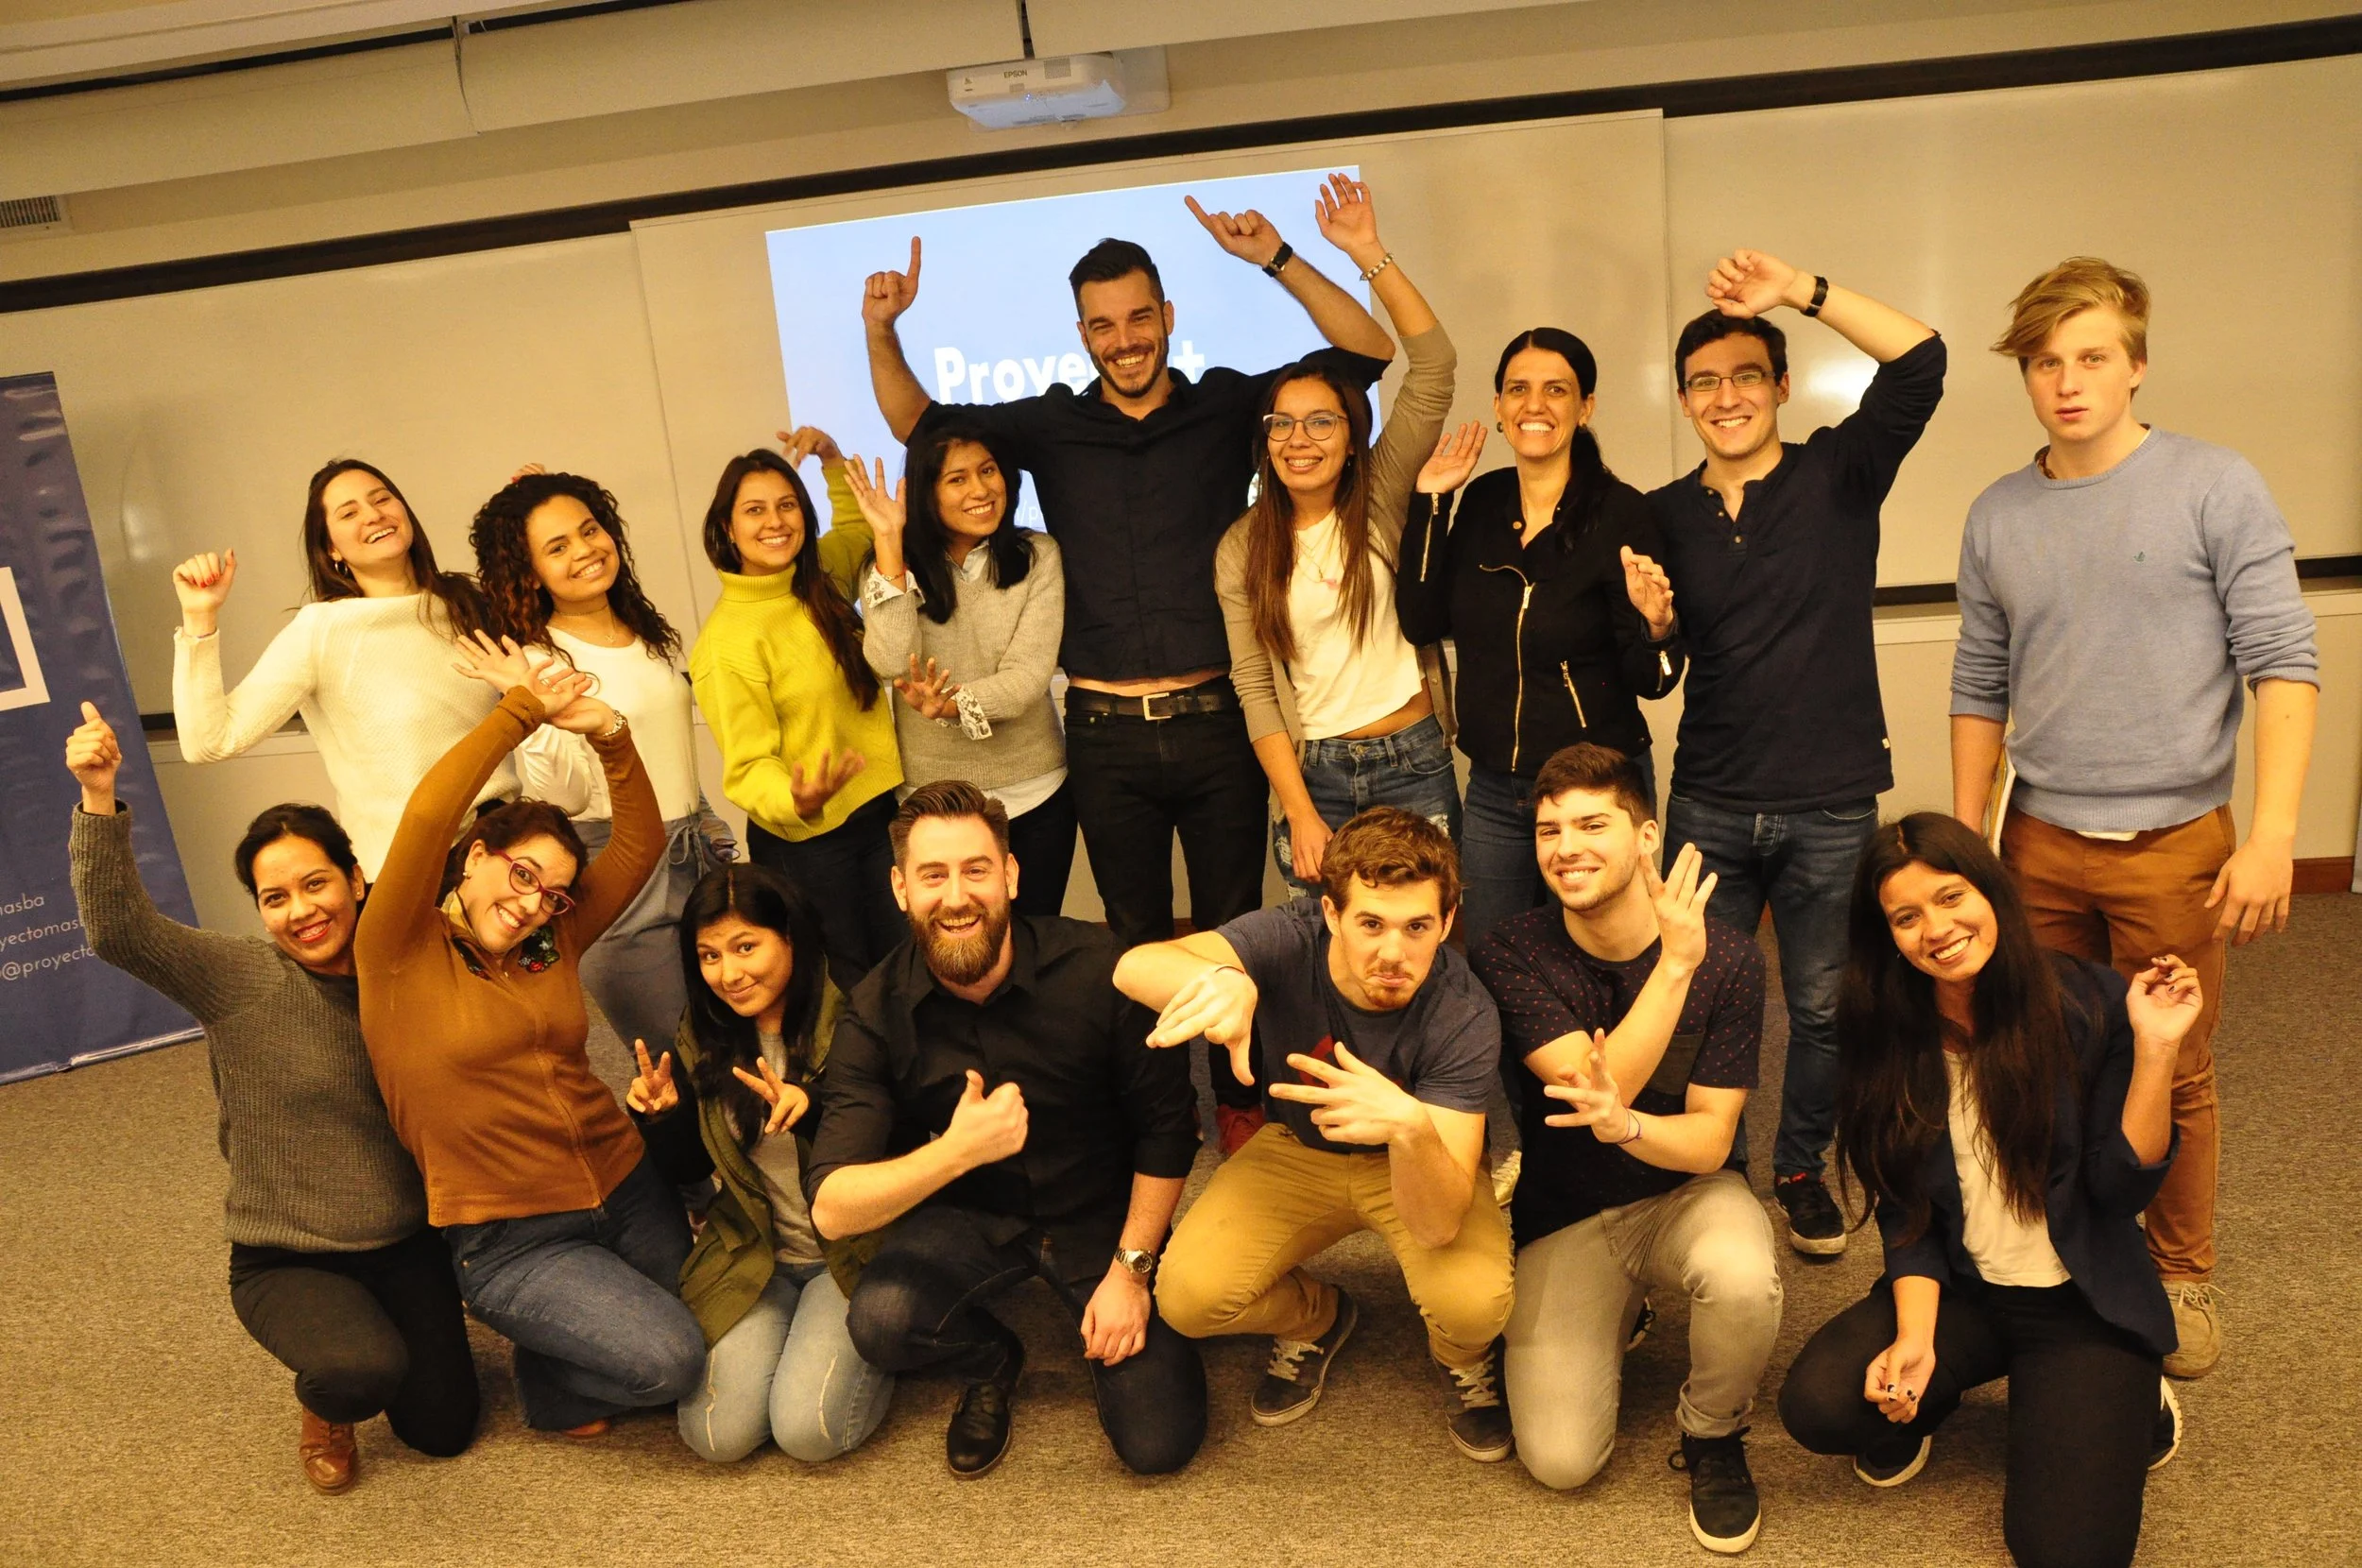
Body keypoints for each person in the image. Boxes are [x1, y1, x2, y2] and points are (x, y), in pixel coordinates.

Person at [859, 174, 1394, 967]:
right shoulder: (1050, 423)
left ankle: (1236, 1095)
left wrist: (1276, 257)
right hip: (1105, 736)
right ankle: (1156, 1097)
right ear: (1083, 335)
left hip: (1221, 724)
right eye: (1104, 325)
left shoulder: (1228, 405)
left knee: (1232, 930)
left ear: (1168, 318)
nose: (1125, 339)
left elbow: (1368, 353)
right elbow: (919, 426)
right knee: (1133, 940)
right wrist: (881, 331)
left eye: (1140, 317)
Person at [1949, 257, 2319, 1379]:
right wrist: (1969, 845)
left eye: (2091, 358)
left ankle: (2180, 1272)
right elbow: (1979, 682)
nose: (2067, 382)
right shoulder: (1998, 514)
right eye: (2045, 363)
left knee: (2173, 1066)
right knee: (2041, 1053)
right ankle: (2060, 1243)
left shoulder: (2214, 483)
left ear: (2136, 364)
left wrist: (2271, 832)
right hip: (2039, 844)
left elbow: (2283, 663)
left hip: (2177, 849)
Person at [63, 701, 477, 1492]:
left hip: (404, 1242)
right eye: (274, 897)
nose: (301, 911)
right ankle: (325, 1402)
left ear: (357, 878)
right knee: (360, 1372)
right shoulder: (242, 979)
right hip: (286, 1253)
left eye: (316, 883)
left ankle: (377, 1338)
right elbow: (117, 930)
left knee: (442, 1432)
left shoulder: (411, 969)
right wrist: (97, 795)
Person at [1779, 813, 2196, 1568]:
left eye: (1950, 897)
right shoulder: (1884, 1033)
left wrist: (2158, 1052)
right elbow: (1907, 1211)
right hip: (1968, 1292)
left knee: (2065, 1554)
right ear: (1887, 935)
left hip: (2082, 1303)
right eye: (1906, 917)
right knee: (1819, 1405)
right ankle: (1934, 1398)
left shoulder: (2089, 1002)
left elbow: (2119, 1189)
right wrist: (1913, 1339)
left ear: (1992, 892)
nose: (1935, 928)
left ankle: (2136, 1400)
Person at [1647, 249, 1945, 1258]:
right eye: (1703, 382)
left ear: (1780, 385)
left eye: (1744, 376)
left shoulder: (1838, 473)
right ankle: (1713, 1172)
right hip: (1709, 801)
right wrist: (1651, 631)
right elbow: (1656, 679)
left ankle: (1795, 1166)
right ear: (1683, 402)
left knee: (1821, 1006)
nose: (1724, 397)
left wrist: (1801, 293)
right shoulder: (1662, 515)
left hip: (1828, 801)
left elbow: (1921, 361)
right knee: (1696, 999)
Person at [354, 639, 706, 1437]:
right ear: (476, 857)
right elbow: (426, 814)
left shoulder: (554, 940)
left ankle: (584, 1332)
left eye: (553, 893)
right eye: (520, 874)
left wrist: (609, 732)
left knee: (718, 1327)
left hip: (624, 1183)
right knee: (673, 1363)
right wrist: (520, 711)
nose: (532, 903)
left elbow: (638, 846)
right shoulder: (396, 948)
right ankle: (550, 1390)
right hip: (514, 1239)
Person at [807, 782, 1206, 1478]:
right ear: (901, 889)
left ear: (1011, 876)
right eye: (933, 875)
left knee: (1158, 1444)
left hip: (1101, 1215)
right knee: (880, 1324)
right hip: (971, 1216)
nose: (956, 896)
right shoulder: (874, 1011)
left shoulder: (1101, 968)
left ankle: (1109, 1308)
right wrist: (955, 1154)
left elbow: (1169, 1131)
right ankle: (994, 1360)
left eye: (976, 870)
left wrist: (1132, 1271)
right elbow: (834, 1210)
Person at [1116, 807, 1515, 1460]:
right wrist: (1221, 979)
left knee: (1475, 1306)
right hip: (1299, 1150)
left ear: (1446, 923)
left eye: (1418, 927)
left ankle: (1458, 1358)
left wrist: (1409, 1125)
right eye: (1370, 924)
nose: (1393, 952)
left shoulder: (1463, 1011)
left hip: (1415, 1157)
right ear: (1330, 914)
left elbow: (1440, 1222)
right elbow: (1133, 966)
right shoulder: (1289, 935)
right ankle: (1319, 1315)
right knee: (1186, 1297)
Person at [1470, 743, 1776, 1555]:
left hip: (1687, 1191)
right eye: (1548, 830)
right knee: (1561, 1461)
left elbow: (1711, 1142)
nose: (1565, 846)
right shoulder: (1511, 950)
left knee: (1745, 1279)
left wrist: (1632, 1129)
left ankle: (1713, 1433)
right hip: (1568, 1211)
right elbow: (1596, 1087)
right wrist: (1675, 967)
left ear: (1645, 838)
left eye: (1591, 824)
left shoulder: (1735, 958)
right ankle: (1618, 1306)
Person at [1398, 327, 1686, 948]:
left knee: (1616, 957)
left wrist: (1658, 625)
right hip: (1498, 788)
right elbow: (1420, 621)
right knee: (1496, 963)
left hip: (1599, 790)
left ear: (1585, 407)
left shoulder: (1622, 513)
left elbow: (1654, 680)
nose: (1535, 405)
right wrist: (1430, 502)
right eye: (1518, 389)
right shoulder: (1479, 501)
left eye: (1556, 390)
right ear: (1499, 407)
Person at [1216, 176, 1461, 903]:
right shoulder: (1242, 546)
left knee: (1427, 942)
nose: (1300, 440)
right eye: (1282, 424)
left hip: (1413, 758)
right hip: (1312, 771)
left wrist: (1368, 252)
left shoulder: (1381, 494)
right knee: (1321, 959)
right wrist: (1298, 808)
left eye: (1321, 421)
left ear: (1352, 437)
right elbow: (1254, 685)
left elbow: (1435, 366)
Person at [625, 863, 895, 1463]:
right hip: (756, 1249)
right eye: (710, 955)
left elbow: (900, 1142)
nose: (730, 973)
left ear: (791, 938)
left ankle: (878, 1346)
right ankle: (802, 1338)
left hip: (847, 1252)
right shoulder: (705, 1031)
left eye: (747, 946)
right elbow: (694, 1171)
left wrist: (817, 1107)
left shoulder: (855, 1012)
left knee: (807, 1432)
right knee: (715, 1439)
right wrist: (664, 1116)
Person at [471, 465, 739, 1057]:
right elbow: (562, 799)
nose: (586, 551)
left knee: (727, 1043)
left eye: (590, 530)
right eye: (557, 547)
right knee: (677, 1058)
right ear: (531, 572)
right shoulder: (539, 657)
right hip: (618, 867)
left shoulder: (643, 631)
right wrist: (533, 710)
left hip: (693, 853)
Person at [170, 458, 506, 877]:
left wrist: (527, 504)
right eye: (349, 513)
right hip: (413, 876)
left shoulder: (465, 604)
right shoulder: (322, 629)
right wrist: (200, 617)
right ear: (331, 548)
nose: (373, 514)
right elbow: (208, 742)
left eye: (382, 499)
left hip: (505, 852)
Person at [690, 432, 903, 987]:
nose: (775, 522)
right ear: (727, 529)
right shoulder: (726, 641)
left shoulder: (819, 577)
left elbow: (857, 529)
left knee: (903, 965)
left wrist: (833, 462)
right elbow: (747, 765)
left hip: (878, 811)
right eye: (754, 510)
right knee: (849, 985)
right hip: (807, 842)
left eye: (787, 505)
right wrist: (797, 797)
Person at [843, 422, 1075, 917]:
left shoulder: (1038, 556)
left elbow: (1028, 679)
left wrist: (953, 705)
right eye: (957, 479)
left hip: (1035, 794)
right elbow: (888, 660)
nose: (980, 490)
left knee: (1032, 942)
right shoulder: (887, 567)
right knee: (952, 948)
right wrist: (889, 540)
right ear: (927, 492)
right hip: (931, 804)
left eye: (988, 471)